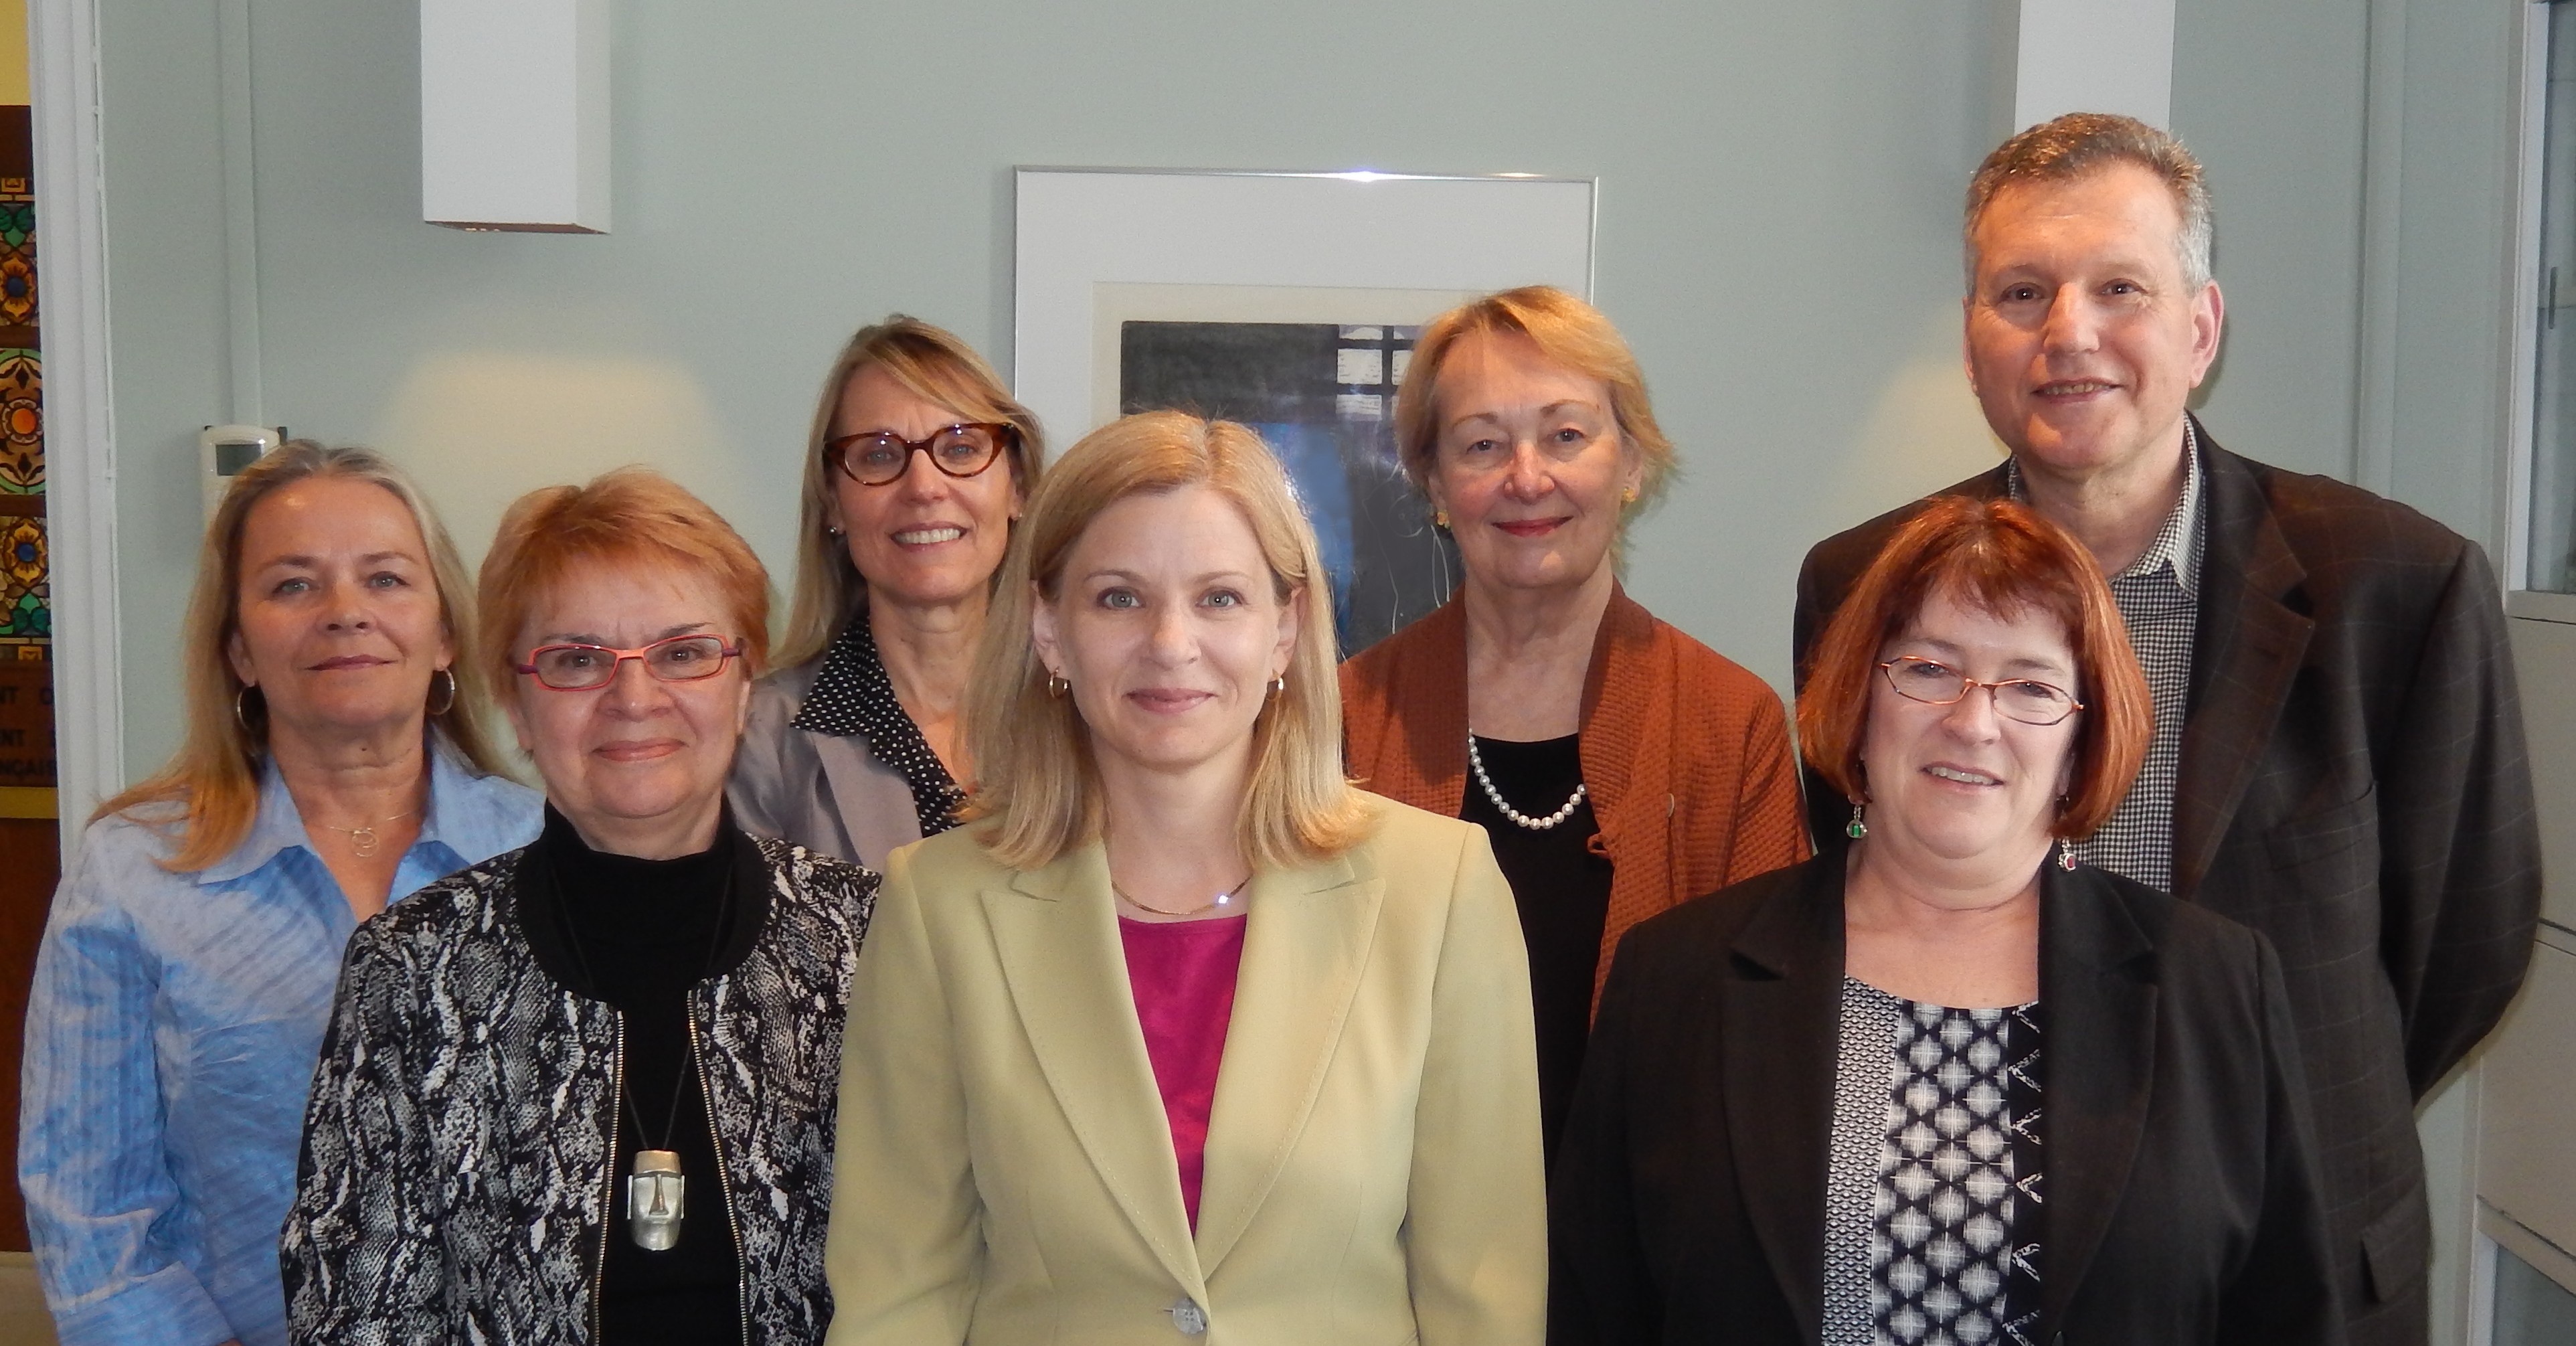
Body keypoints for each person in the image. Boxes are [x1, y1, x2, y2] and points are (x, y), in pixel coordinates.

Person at [1792, 113, 2540, 1345]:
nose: (2065, 334)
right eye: (2019, 291)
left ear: (2198, 328)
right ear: (1971, 336)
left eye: (2117, 288)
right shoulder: (1861, 583)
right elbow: (1861, 865)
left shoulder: (2395, 585)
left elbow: (2464, 937)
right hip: (1966, 1241)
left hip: (2290, 1256)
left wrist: (2257, 1112)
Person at [825, 412, 1545, 1345]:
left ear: (1285, 629)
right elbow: (898, 1296)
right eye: (1119, 598)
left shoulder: (1438, 891)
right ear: (1049, 629)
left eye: (1220, 598)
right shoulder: (939, 905)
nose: (1171, 643)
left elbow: (1483, 1296)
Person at [1556, 496, 2340, 1345]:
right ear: (1862, 701)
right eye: (1929, 669)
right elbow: (1597, 1311)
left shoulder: (2216, 986)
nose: (1972, 722)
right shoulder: (1680, 976)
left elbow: (2287, 1318)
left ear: (2083, 740)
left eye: (2032, 686)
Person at [282, 470, 877, 1345]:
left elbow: (946, 1269)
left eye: (683, 652)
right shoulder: (412, 968)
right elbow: (355, 1312)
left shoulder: (868, 938)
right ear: (517, 704)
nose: (633, 697)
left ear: (744, 685)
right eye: (576, 659)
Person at [19, 443, 539, 1346]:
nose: (346, 613)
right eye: (294, 585)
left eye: (385, 578)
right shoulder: (136, 874)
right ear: (237, 648)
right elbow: (90, 1212)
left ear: (445, 632)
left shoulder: (547, 851)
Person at [1339, 285, 1808, 1154]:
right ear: (1434, 481)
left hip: (1639, 1245)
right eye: (1482, 444)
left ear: (1630, 463)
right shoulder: (1345, 718)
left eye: (1565, 434)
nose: (1527, 477)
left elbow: (1771, 1027)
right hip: (1388, 1247)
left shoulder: (1727, 723)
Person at [731, 315, 1043, 867]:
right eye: (878, 454)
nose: (924, 487)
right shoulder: (760, 742)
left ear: (1016, 486)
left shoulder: (1084, 709)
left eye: (962, 447)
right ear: (832, 501)